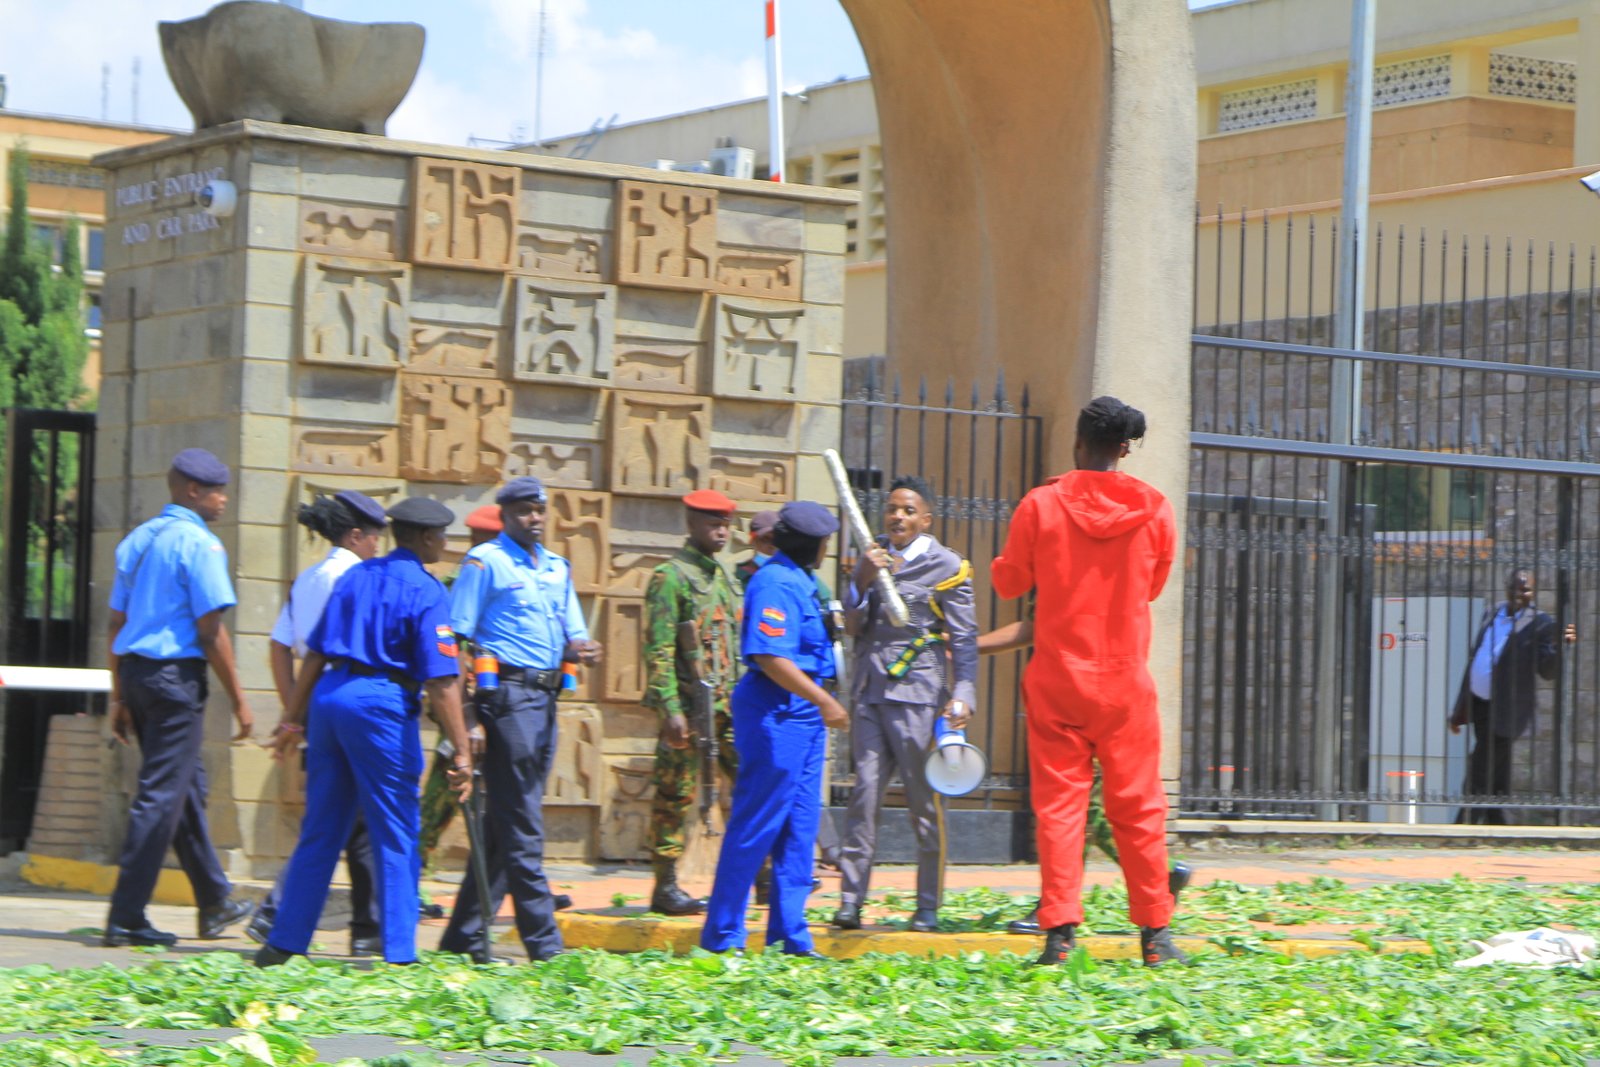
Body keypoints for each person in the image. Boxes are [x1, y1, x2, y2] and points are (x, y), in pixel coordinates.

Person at [991, 396, 1185, 967]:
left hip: (1058, 679)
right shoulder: (1156, 509)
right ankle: (1155, 937)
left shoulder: (1040, 504)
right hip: (1125, 683)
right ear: (1124, 448)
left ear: (1077, 442)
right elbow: (1152, 587)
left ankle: (1059, 936)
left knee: (1060, 810)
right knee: (1140, 808)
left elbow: (1008, 584)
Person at [256, 497, 474, 967]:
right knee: (396, 830)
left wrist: (291, 719)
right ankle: (400, 954)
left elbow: (315, 654)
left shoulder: (357, 576)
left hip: (330, 697)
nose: (445, 543)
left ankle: (282, 944)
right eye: (442, 536)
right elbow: (441, 681)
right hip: (379, 703)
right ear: (426, 538)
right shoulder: (427, 589)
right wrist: (462, 751)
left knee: (322, 828)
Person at [438, 476, 602, 962]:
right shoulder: (485, 561)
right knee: (523, 824)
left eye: (540, 510)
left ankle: (463, 938)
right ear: (505, 515)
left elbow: (573, 633)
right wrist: (467, 716)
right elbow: (456, 643)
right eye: (525, 511)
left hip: (545, 699)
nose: (535, 519)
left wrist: (583, 648)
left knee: (503, 824)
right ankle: (545, 946)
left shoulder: (556, 567)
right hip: (506, 700)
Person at [102, 448, 254, 948]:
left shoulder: (139, 539)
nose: (223, 500)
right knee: (160, 797)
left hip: (138, 677)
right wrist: (240, 700)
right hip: (174, 682)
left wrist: (119, 696)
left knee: (185, 788)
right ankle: (126, 917)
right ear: (193, 491)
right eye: (217, 491)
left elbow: (116, 624)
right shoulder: (200, 544)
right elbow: (210, 632)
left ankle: (214, 902)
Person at [977, 616, 1191, 936]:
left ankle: (1062, 908)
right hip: (1105, 695)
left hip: (1081, 699)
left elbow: (1036, 625)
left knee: (1079, 813)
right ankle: (1156, 879)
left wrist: (974, 644)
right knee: (1088, 812)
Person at [700, 501, 849, 957]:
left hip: (803, 713)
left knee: (799, 828)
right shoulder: (775, 582)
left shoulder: (804, 581)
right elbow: (770, 656)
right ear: (811, 544)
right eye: (824, 542)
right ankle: (723, 938)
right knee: (757, 824)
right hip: (777, 710)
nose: (826, 550)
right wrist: (824, 700)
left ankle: (790, 937)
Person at [832, 476, 976, 934]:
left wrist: (964, 692)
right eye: (893, 508)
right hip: (871, 692)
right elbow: (851, 625)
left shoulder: (947, 565)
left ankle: (927, 905)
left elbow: (964, 638)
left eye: (909, 510)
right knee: (863, 796)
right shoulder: (871, 555)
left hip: (919, 695)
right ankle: (851, 900)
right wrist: (861, 578)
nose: (898, 516)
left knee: (923, 803)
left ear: (925, 519)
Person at [246, 490, 389, 954]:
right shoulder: (359, 578)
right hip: (351, 696)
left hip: (316, 703)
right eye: (374, 538)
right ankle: (282, 913)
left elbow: (279, 647)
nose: (377, 547)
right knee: (342, 816)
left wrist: (294, 710)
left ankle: (364, 928)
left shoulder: (308, 579)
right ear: (355, 536)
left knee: (348, 815)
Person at [643, 489, 742, 916]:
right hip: (689, 706)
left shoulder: (724, 578)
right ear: (691, 524)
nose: (721, 532)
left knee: (752, 784)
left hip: (728, 707)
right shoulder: (671, 577)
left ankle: (760, 875)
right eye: (712, 523)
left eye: (725, 524)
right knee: (675, 792)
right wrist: (670, 709)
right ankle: (665, 884)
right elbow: (659, 649)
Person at [1449, 568, 1576, 825]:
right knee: (1498, 772)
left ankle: (1463, 828)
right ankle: (1499, 825)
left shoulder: (1541, 623)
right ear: (1506, 588)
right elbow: (1476, 657)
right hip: (1480, 704)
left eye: (1526, 589)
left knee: (1479, 768)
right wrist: (1459, 708)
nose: (1520, 593)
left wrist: (1562, 647)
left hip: (1508, 710)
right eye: (1515, 587)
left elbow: (1547, 671)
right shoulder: (1491, 612)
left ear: (1533, 592)